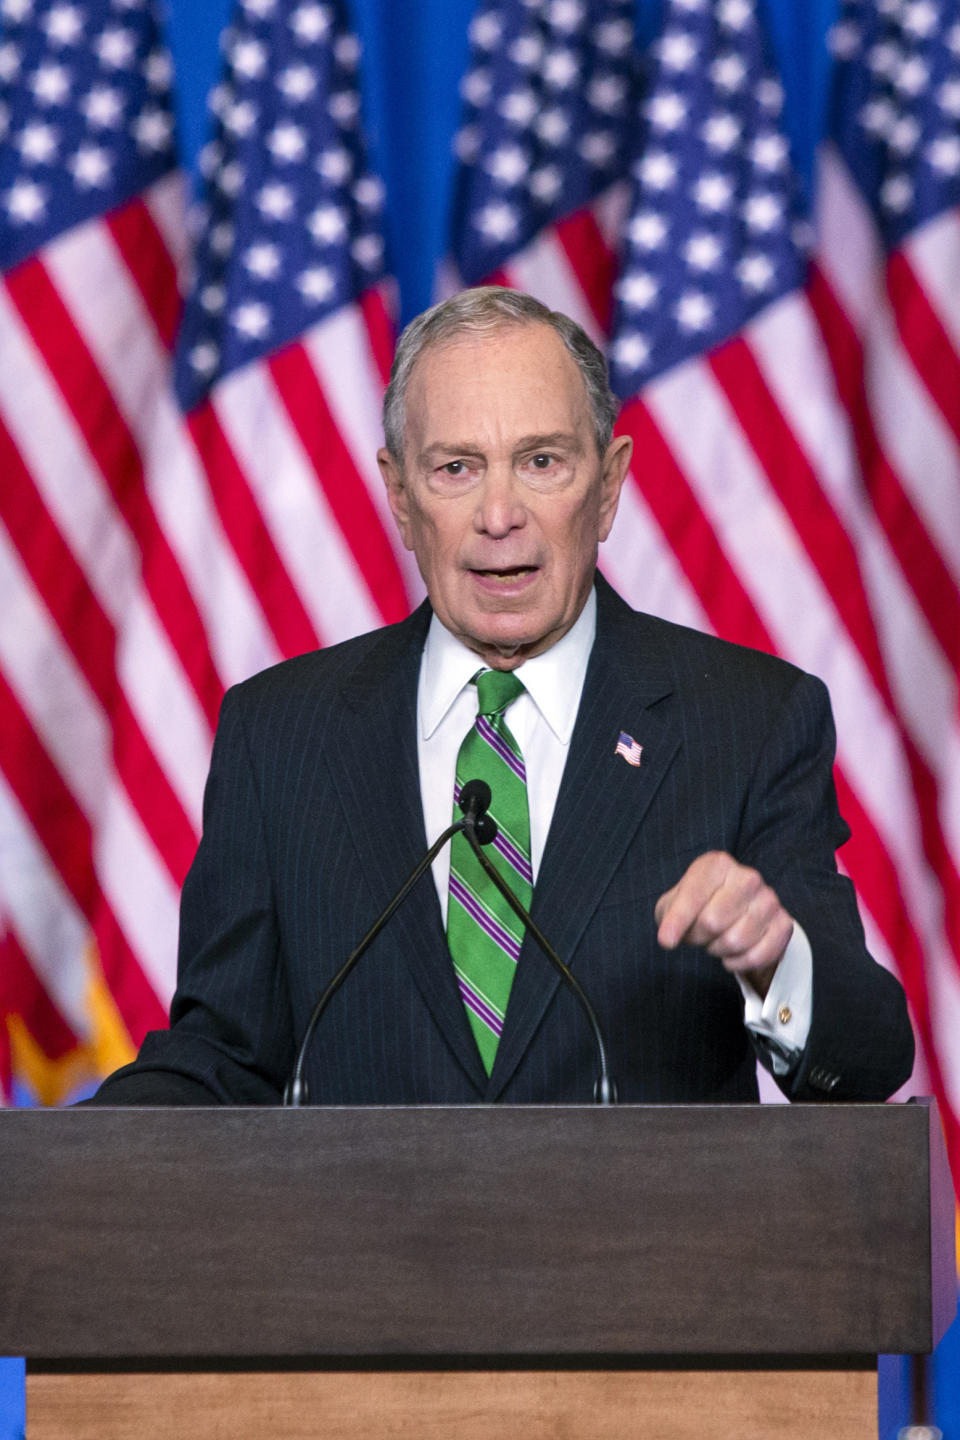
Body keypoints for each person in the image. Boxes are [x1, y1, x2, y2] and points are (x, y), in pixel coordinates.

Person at [88, 287, 913, 1106]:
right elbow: (222, 1057)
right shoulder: (281, 736)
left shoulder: (747, 722)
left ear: (609, 484)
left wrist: (777, 959)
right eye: (456, 468)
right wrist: (49, 1171)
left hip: (643, 1240)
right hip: (360, 1240)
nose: (499, 514)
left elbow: (871, 1059)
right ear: (401, 497)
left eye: (541, 461)